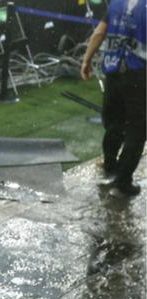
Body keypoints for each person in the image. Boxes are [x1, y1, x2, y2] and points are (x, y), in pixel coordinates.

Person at [81, 0, 146, 198]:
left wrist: (86, 60)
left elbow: (99, 33)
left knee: (114, 122)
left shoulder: (116, 4)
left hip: (113, 72)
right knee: (137, 128)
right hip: (138, 74)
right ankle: (122, 182)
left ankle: (110, 165)